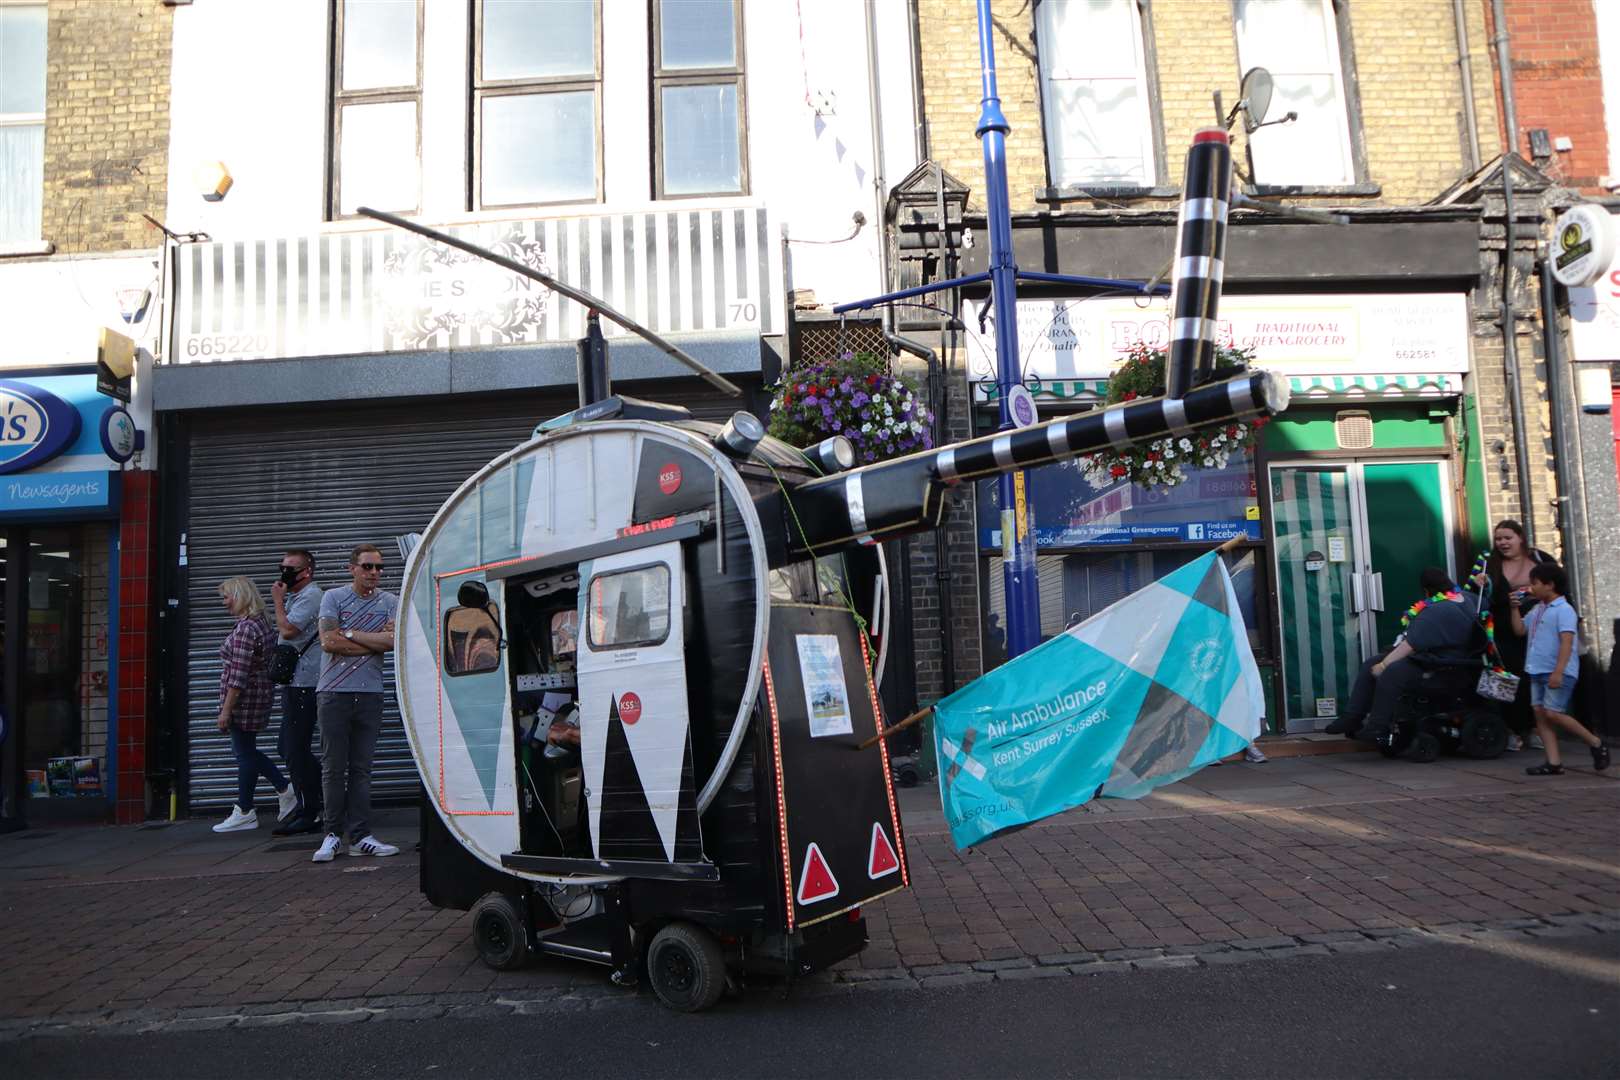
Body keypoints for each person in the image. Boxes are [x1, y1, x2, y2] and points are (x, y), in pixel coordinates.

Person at [312, 544, 401, 862]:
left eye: (378, 568)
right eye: (367, 567)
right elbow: (328, 642)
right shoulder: (333, 597)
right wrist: (371, 640)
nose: (374, 573)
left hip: (370, 694)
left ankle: (361, 836)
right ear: (352, 568)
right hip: (334, 694)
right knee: (333, 768)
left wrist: (348, 634)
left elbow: (393, 642)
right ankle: (332, 834)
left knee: (362, 769)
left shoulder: (390, 601)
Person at [1324, 568, 1478, 743]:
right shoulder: (1467, 599)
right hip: (1442, 659)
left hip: (1442, 666)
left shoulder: (1436, 611)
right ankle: (1352, 717)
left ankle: (1377, 725)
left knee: (1392, 671)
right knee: (1370, 663)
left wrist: (1383, 666)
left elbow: (1410, 645)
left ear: (1427, 590)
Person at [212, 576, 297, 833]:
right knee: (246, 752)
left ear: (240, 596)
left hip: (245, 700)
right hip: (256, 695)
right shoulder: (259, 623)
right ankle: (261, 800)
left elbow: (238, 674)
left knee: (244, 753)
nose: (224, 603)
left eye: (227, 597)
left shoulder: (247, 628)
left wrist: (226, 710)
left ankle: (251, 806)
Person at [1464, 520, 1556, 749]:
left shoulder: (1540, 558)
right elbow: (1470, 596)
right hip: (1504, 632)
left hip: (1540, 629)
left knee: (1537, 677)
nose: (1503, 543)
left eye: (1508, 537)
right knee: (1508, 678)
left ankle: (1534, 729)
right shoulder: (1487, 563)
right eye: (1498, 539)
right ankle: (1512, 729)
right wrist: (1477, 584)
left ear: (1520, 538)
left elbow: (1560, 586)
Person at [1513, 564, 1608, 775]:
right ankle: (1553, 762)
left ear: (1550, 585)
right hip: (1536, 668)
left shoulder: (1564, 610)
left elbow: (1567, 642)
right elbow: (1520, 629)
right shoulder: (1538, 609)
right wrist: (1513, 608)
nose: (1532, 587)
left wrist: (1559, 671)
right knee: (1540, 714)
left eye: (1535, 583)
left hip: (1556, 669)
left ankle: (1595, 742)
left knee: (1553, 713)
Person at [270, 549, 324, 836]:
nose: (285, 573)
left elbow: (288, 630)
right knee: (288, 747)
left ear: (307, 572)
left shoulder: (311, 596)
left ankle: (310, 810)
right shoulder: (296, 596)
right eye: (282, 567)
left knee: (294, 747)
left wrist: (278, 601)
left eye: (291, 569)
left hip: (307, 683)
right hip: (295, 682)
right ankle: (321, 795)